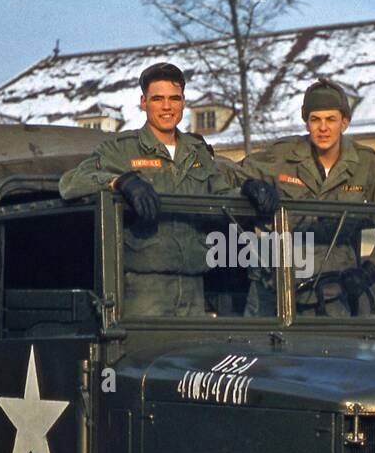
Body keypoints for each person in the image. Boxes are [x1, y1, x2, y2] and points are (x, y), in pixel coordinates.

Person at [59, 62, 277, 316]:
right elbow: (72, 182)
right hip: (143, 287)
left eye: (174, 98)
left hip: (194, 283)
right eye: (157, 99)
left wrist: (247, 191)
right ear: (144, 102)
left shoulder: (197, 152)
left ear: (183, 102)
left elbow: (219, 197)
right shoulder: (121, 149)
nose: (166, 107)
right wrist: (119, 182)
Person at [240, 78, 375, 316]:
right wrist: (250, 186)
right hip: (275, 289)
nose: (323, 128)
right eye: (315, 119)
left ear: (344, 123)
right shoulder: (282, 156)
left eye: (331, 119)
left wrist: (371, 271)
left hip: (334, 293)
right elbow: (227, 174)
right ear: (306, 122)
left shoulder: (367, 164)